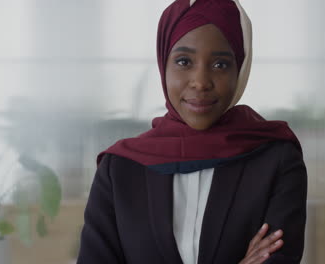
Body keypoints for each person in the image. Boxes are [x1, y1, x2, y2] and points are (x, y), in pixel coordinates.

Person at [77, 0, 307, 263]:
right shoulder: (119, 169)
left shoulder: (276, 160)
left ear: (240, 69)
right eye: (184, 61)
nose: (200, 82)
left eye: (220, 64)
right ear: (164, 64)